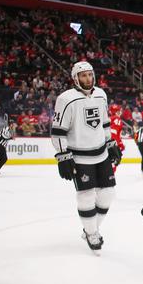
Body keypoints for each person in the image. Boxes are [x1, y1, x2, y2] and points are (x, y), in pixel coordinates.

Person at [50, 61, 121, 255]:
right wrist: (62, 156)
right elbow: (57, 130)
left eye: (90, 75)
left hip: (101, 153)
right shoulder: (66, 99)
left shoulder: (101, 94)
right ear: (75, 78)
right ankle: (92, 233)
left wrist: (110, 143)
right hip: (80, 156)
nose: (88, 79)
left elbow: (104, 122)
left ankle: (90, 228)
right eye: (83, 76)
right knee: (86, 197)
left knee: (108, 194)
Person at [108, 104, 125, 173]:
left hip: (105, 141)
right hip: (113, 143)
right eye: (119, 111)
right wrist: (120, 144)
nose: (120, 112)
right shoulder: (118, 119)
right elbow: (115, 134)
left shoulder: (108, 118)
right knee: (114, 161)